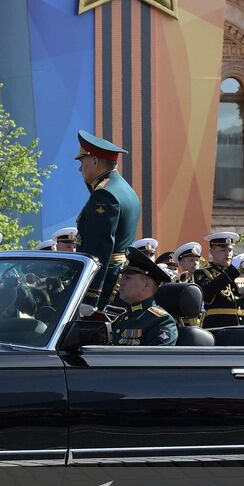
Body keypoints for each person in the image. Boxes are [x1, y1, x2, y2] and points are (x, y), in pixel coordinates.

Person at [73, 131, 140, 314]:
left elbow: (99, 247)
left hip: (105, 283)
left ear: (94, 161)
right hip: (118, 278)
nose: (80, 169)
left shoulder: (104, 194)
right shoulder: (125, 189)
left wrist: (91, 295)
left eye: (82, 162)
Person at [110, 247, 178, 346]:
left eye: (127, 278)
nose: (121, 282)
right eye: (122, 277)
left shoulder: (160, 321)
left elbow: (158, 359)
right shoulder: (122, 318)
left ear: (147, 284)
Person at [194, 231, 244, 329]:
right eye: (223, 250)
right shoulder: (202, 273)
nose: (228, 254)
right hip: (219, 327)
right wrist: (233, 269)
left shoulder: (240, 273)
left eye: (230, 250)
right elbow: (207, 294)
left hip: (243, 327)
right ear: (211, 251)